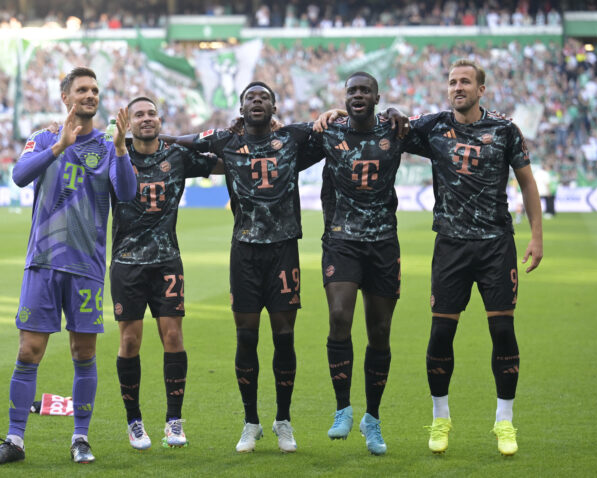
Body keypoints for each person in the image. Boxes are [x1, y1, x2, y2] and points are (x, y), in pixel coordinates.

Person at [0, 66, 136, 465]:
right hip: (43, 262)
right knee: (29, 350)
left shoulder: (107, 145)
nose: (90, 95)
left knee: (83, 352)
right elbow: (18, 176)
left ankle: (80, 438)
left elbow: (128, 193)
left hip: (85, 265)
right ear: (65, 97)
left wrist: (121, 148)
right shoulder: (44, 137)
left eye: (95, 90)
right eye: (82, 89)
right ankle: (15, 440)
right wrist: (58, 146)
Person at [162, 82, 323, 453]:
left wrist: (333, 115)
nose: (257, 101)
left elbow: (326, 130)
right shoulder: (226, 141)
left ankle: (283, 420)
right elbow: (189, 141)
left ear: (274, 106)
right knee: (246, 337)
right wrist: (160, 134)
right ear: (242, 106)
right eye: (251, 97)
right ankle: (251, 422)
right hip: (244, 253)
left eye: (264, 97)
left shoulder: (293, 138)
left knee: (284, 336)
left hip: (283, 250)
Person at [403, 59, 543, 456]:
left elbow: (527, 183)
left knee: (502, 332)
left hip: (496, 244)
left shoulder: (504, 129)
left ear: (481, 89)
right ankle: (441, 417)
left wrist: (536, 236)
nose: (457, 87)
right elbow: (384, 126)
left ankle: (504, 422)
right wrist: (337, 114)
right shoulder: (432, 127)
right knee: (441, 334)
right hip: (450, 246)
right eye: (452, 82)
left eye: (465, 81)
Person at [110, 96, 221, 450]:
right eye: (139, 114)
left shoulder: (177, 155)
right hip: (127, 263)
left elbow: (223, 163)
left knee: (172, 336)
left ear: (160, 119)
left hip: (167, 261)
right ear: (129, 121)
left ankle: (174, 421)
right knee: (129, 341)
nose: (146, 119)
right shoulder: (116, 152)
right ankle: (134, 422)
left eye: (151, 114)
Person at [310, 72, 408, 455]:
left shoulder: (397, 131)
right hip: (341, 240)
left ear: (377, 97)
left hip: (384, 243)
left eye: (365, 90)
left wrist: (400, 112)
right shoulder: (328, 133)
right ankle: (342, 409)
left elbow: (437, 129)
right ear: (344, 97)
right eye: (352, 91)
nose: (358, 95)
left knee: (380, 331)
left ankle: (373, 418)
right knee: (338, 316)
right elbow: (278, 137)